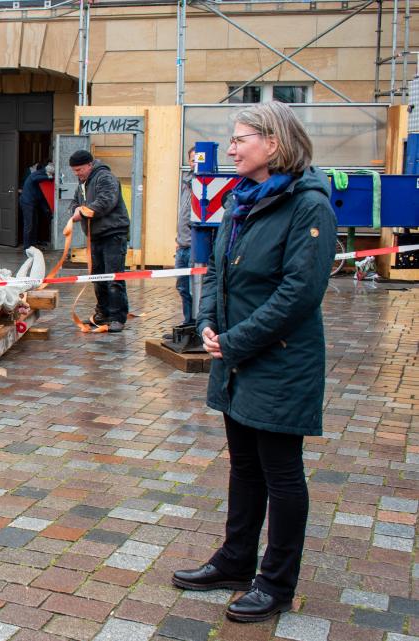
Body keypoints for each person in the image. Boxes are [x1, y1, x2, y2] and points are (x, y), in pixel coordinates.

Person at [172, 102, 336, 623]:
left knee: (282, 474)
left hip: (279, 361)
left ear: (275, 143)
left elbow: (299, 293)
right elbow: (218, 269)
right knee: (244, 466)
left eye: (242, 138)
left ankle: (276, 582)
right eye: (232, 137)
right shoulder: (241, 199)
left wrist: (236, 340)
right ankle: (236, 561)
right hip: (236, 355)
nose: (232, 147)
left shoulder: (308, 206)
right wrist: (207, 323)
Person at [67, 149, 130, 332]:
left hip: (113, 234)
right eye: (74, 170)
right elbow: (73, 204)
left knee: (114, 277)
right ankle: (102, 313)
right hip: (95, 236)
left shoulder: (105, 177)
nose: (77, 174)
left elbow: (106, 201)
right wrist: (76, 210)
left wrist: (84, 211)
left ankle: (118, 317)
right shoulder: (82, 183)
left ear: (90, 164)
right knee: (98, 277)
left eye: (79, 170)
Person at [173, 147, 197, 331]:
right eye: (191, 159)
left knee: (194, 289)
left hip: (195, 247)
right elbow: (183, 214)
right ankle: (188, 321)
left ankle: (197, 324)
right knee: (182, 287)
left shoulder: (204, 183)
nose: (194, 162)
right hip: (182, 245)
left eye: (198, 158)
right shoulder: (185, 182)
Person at [19, 162, 53, 250]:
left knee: (34, 223)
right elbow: (35, 178)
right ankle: (27, 247)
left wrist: (46, 209)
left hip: (33, 203)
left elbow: (40, 196)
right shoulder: (37, 174)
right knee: (29, 224)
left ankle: (33, 245)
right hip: (27, 203)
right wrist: (49, 177)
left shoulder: (41, 178)